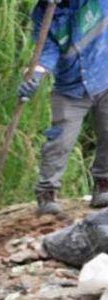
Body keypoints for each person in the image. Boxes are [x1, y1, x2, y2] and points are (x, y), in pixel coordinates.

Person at [20, 0, 108, 214]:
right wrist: (36, 75)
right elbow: (47, 51)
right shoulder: (43, 13)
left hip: (104, 77)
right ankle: (46, 193)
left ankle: (104, 183)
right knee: (59, 141)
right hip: (70, 88)